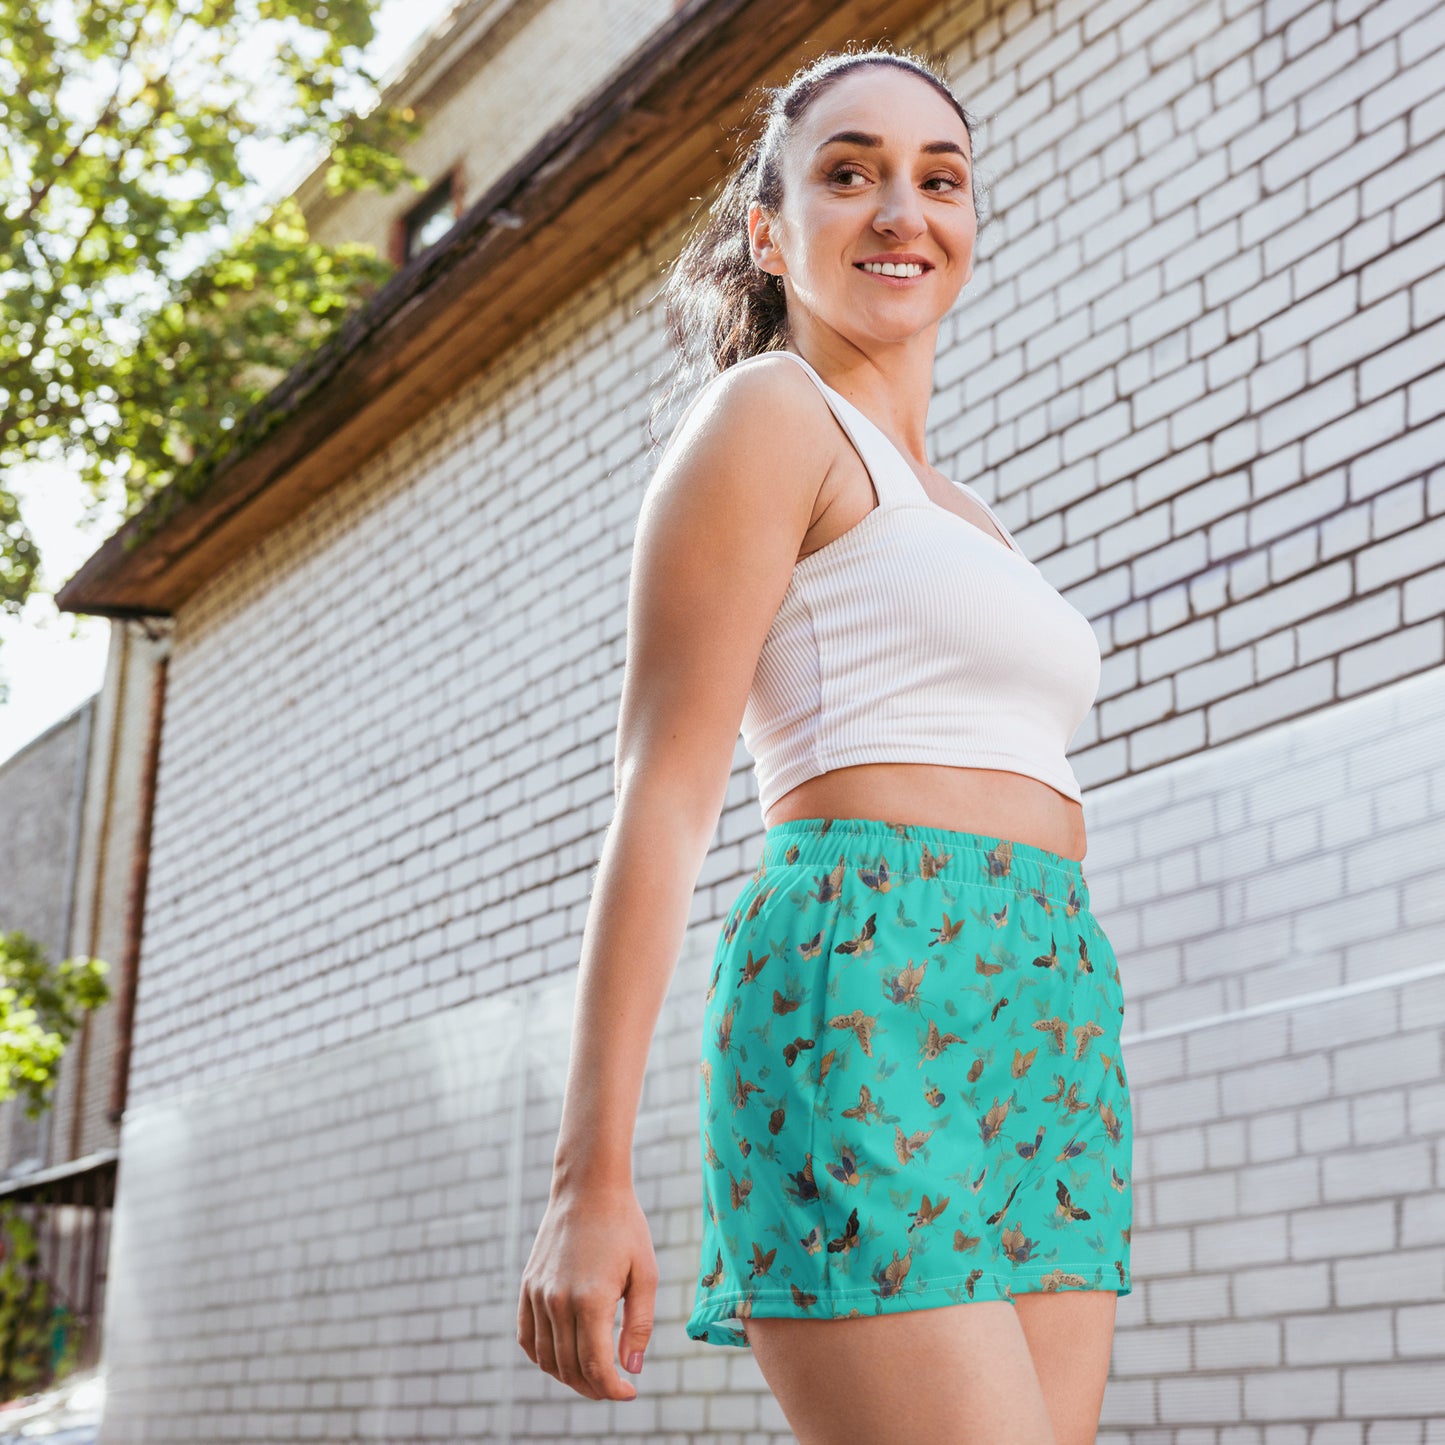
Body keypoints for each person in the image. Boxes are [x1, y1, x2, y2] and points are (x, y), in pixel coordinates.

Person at [517, 44, 1133, 1445]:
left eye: (939, 179)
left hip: (1044, 1003)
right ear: (767, 229)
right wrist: (587, 1177)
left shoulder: (967, 508)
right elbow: (661, 795)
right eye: (848, 173)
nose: (900, 210)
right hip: (863, 977)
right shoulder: (766, 417)